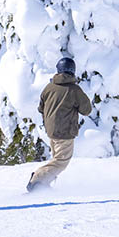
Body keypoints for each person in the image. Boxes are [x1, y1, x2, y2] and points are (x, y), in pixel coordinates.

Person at [27, 57, 92, 192]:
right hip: (65, 131)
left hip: (51, 130)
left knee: (56, 159)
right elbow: (87, 110)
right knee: (61, 162)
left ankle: (43, 183)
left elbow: (40, 108)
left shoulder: (49, 87)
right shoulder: (74, 90)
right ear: (73, 71)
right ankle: (37, 178)